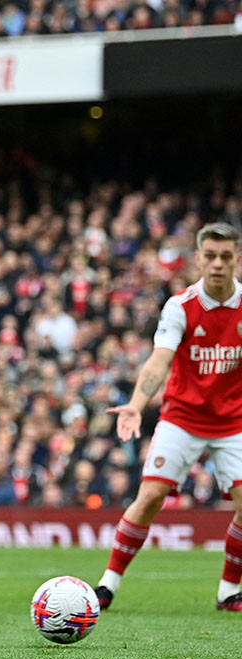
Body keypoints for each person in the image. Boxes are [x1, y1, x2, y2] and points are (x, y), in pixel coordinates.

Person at [97, 222, 242, 613]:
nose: (217, 264)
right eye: (209, 256)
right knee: (150, 497)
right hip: (182, 416)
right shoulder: (180, 306)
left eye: (225, 257)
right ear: (197, 259)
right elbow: (159, 361)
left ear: (237, 260)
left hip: (233, 423)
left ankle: (229, 591)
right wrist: (135, 404)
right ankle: (107, 585)